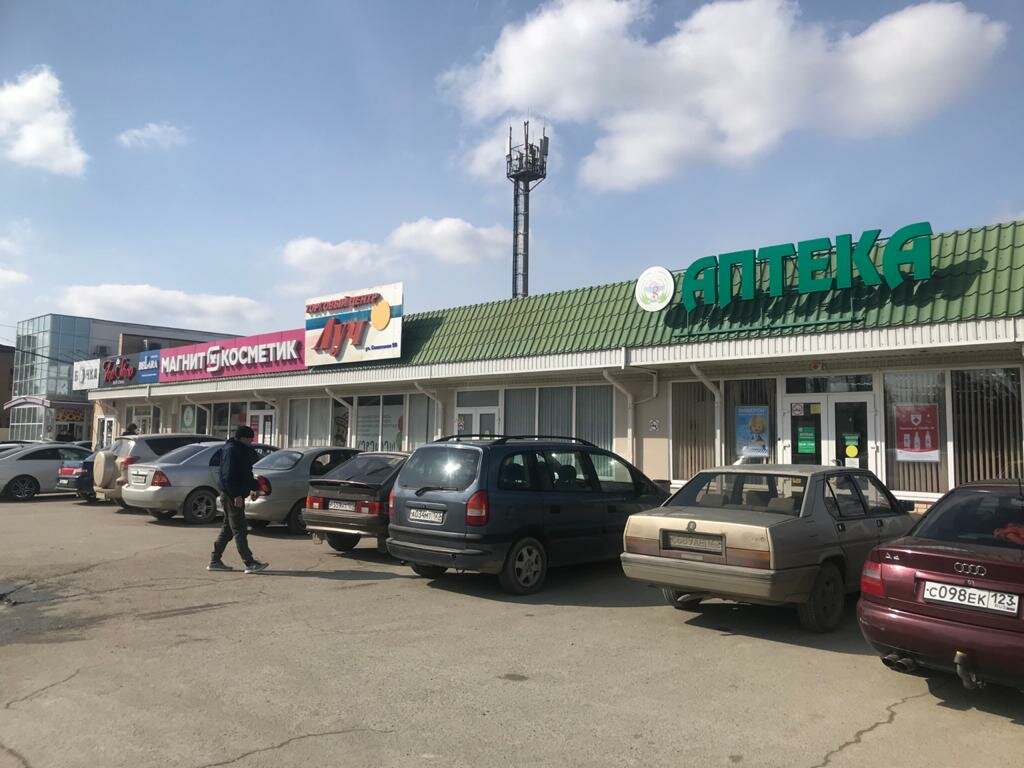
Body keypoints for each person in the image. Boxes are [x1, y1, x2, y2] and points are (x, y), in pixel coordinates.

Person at [208, 425, 268, 573]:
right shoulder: (232, 451)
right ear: (243, 438)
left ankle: (215, 561)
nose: (251, 442)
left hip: (233, 495)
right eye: (250, 439)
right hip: (232, 496)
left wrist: (255, 487)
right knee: (240, 529)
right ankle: (249, 563)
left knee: (228, 530)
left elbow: (245, 475)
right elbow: (228, 476)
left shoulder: (239, 450)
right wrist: (236, 495)